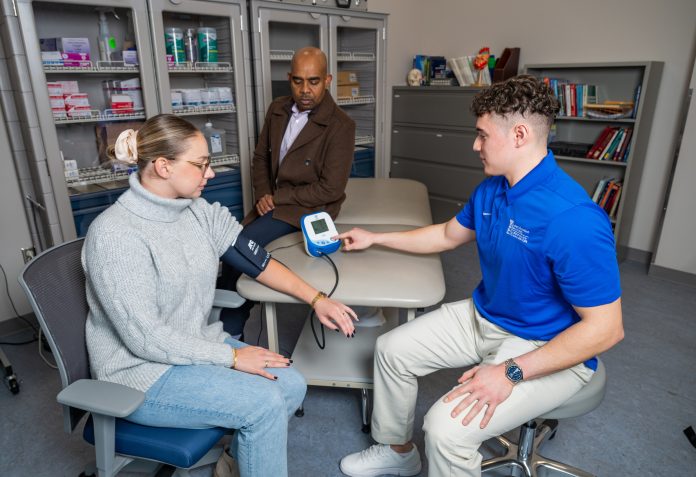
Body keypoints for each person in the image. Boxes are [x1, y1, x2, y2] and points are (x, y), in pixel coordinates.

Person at [338, 75, 625, 477]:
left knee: (445, 429)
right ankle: (398, 451)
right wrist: (375, 238)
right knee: (391, 350)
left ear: (520, 135)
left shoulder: (574, 220)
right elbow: (445, 235)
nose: (475, 146)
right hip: (484, 317)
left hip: (544, 345)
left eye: (482, 135)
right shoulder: (492, 189)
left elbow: (607, 330)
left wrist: (511, 371)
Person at [82, 114, 357, 477]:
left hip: (190, 347)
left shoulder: (198, 212)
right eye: (201, 164)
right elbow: (145, 339)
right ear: (163, 166)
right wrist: (229, 356)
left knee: (291, 384)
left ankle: (237, 462)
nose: (210, 173)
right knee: (263, 404)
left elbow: (255, 259)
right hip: (141, 373)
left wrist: (317, 298)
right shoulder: (116, 236)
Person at [218, 46, 356, 338]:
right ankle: (226, 318)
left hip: (309, 206)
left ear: (328, 79)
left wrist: (276, 198)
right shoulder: (277, 108)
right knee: (230, 244)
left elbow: (330, 188)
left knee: (242, 245)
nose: (305, 90)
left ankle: (231, 328)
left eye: (314, 81)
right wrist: (264, 193)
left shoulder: (341, 125)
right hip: (274, 200)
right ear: (289, 78)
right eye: (298, 81)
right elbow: (260, 159)